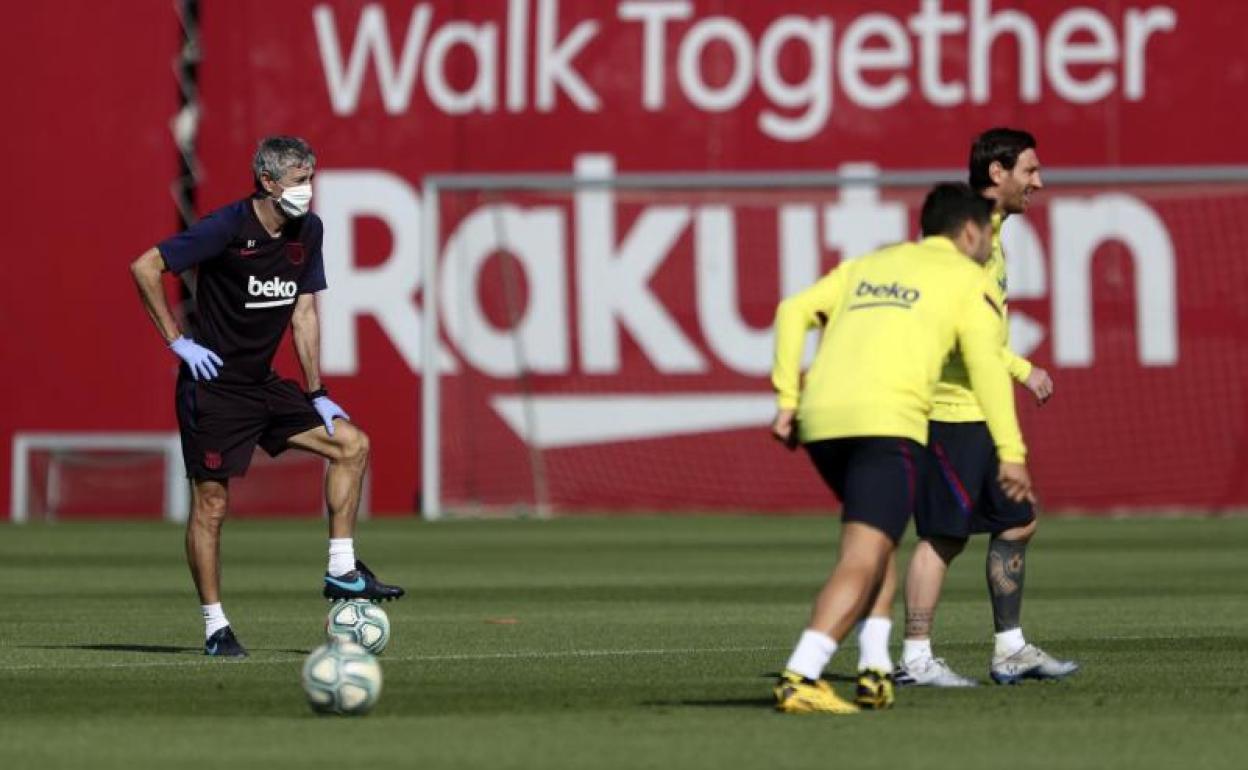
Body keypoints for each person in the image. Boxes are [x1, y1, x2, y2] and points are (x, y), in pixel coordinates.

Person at [129, 136, 404, 658]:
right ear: (269, 182)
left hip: (262, 385)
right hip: (212, 387)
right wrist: (178, 342)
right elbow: (145, 267)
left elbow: (302, 313)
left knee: (352, 445)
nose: (309, 190)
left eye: (312, 178)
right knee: (212, 504)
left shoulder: (309, 231)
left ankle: (342, 570)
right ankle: (216, 627)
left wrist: (317, 391)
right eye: (300, 181)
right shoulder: (226, 227)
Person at [770, 183, 1033, 714]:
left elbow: (791, 310)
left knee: (881, 538)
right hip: (886, 422)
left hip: (822, 418)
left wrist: (786, 398)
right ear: (970, 232)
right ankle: (803, 672)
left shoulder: (871, 265)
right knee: (863, 553)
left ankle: (873, 669)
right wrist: (1011, 450)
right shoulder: (968, 280)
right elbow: (986, 369)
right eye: (987, 234)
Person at [857, 128, 1078, 686]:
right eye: (1030, 170)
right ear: (998, 173)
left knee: (1019, 522)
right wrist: (1025, 370)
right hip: (949, 413)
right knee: (943, 536)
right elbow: (958, 331)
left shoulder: (992, 230)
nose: (1039, 182)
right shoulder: (967, 237)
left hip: (978, 409)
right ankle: (915, 659)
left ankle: (1010, 649)